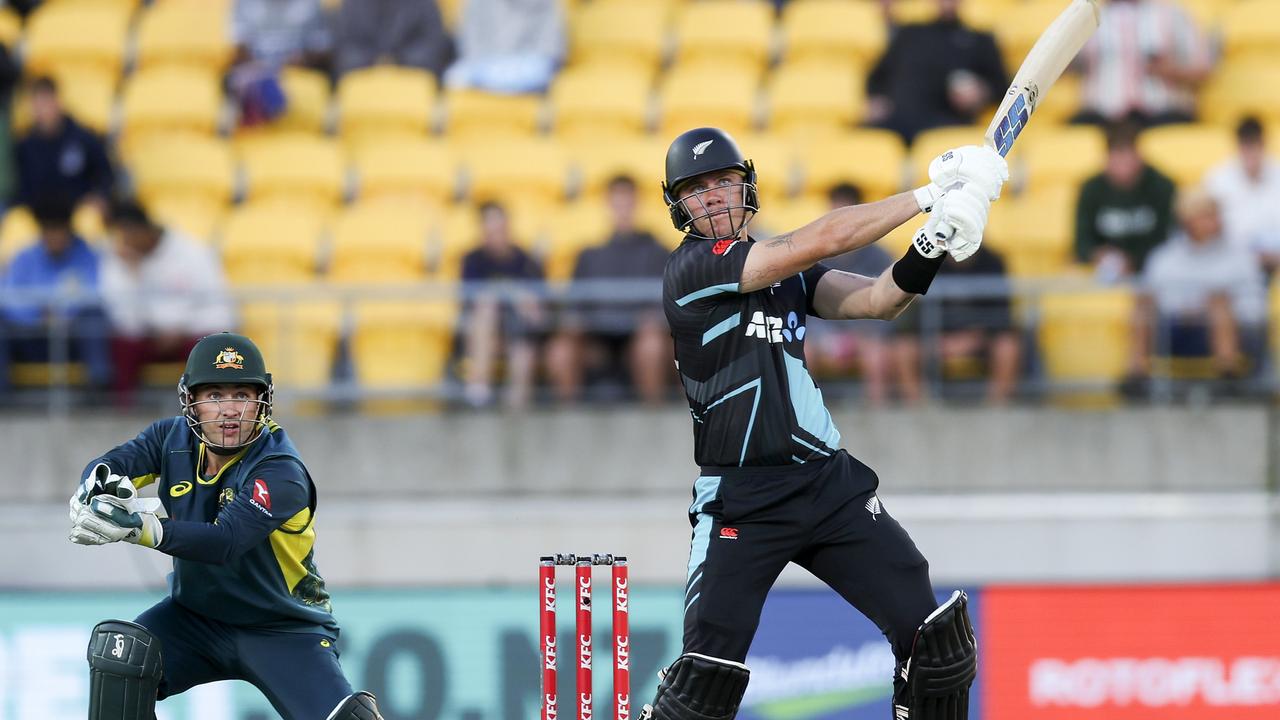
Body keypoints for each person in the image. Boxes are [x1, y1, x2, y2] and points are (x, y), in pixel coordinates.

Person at [640, 127, 1007, 720]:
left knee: (935, 645)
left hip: (827, 485)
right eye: (696, 188)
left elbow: (880, 300)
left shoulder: (786, 277)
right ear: (678, 204)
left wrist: (932, 242)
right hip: (744, 501)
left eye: (724, 181)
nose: (713, 196)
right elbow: (820, 239)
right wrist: (928, 194)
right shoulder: (691, 270)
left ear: (746, 185)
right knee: (701, 688)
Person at [66, 332, 386, 720]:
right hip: (195, 619)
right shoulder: (171, 439)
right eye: (215, 396)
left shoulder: (280, 469)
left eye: (242, 395)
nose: (230, 410)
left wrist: (136, 527)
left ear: (262, 400)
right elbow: (112, 464)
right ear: (192, 402)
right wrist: (95, 489)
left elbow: (225, 542)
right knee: (121, 658)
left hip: (282, 627)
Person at [545, 175, 672, 404]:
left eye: (627, 202)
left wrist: (653, 319)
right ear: (608, 205)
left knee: (651, 346)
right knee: (561, 350)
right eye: (617, 202)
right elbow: (574, 306)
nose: (622, 209)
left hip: (641, 338)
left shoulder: (657, 252)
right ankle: (567, 422)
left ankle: (653, 421)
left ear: (636, 204)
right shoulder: (589, 256)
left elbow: (668, 303)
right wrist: (577, 322)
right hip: (596, 339)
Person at [99, 200, 235, 406]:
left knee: (213, 348)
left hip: (191, 333)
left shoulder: (193, 253)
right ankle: (123, 412)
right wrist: (136, 276)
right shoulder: (119, 258)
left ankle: (209, 410)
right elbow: (122, 316)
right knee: (120, 344)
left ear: (143, 230)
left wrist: (179, 328)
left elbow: (220, 307)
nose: (125, 244)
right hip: (147, 336)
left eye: (129, 236)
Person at [1141, 190, 1265, 389]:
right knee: (1142, 305)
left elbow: (1256, 305)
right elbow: (1158, 297)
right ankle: (1136, 377)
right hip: (1175, 330)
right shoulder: (1165, 258)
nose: (1215, 221)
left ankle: (1228, 374)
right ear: (1188, 221)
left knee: (1219, 303)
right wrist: (1188, 310)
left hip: (1233, 330)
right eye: (1206, 216)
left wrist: (1221, 308)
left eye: (1215, 214)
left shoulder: (1239, 256)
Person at [0, 198, 110, 396]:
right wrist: (38, 315)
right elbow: (8, 297)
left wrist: (63, 313)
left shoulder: (87, 254)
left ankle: (98, 386)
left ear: (70, 230)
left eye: (59, 231)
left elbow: (95, 293)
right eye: (49, 231)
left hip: (72, 336)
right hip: (31, 336)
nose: (55, 237)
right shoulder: (25, 257)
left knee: (94, 316)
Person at [801, 183, 895, 406]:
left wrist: (860, 335)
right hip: (823, 333)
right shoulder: (815, 254)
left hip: (867, 334)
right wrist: (827, 338)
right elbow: (802, 301)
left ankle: (879, 417)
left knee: (874, 354)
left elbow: (890, 304)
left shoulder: (880, 256)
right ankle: (802, 413)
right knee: (803, 351)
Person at [890, 245, 1022, 404]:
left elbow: (1000, 313)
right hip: (936, 337)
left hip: (981, 337)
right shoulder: (927, 261)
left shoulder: (993, 262)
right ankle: (918, 410)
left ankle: (996, 408)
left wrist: (975, 337)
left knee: (1008, 346)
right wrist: (937, 338)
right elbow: (916, 314)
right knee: (904, 348)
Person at [865, 0, 1007, 144]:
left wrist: (981, 92)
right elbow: (877, 76)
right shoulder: (909, 33)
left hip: (946, 125)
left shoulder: (979, 40)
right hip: (897, 121)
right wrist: (876, 99)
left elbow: (1002, 86)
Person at [1072, 0, 1212, 128]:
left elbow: (1203, 71)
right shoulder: (1086, 17)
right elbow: (1066, 67)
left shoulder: (1172, 13)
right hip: (1101, 116)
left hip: (1163, 113)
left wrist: (1168, 71)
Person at [459, 201, 546, 409]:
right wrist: (512, 294)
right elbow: (469, 302)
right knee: (486, 308)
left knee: (522, 350)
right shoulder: (473, 260)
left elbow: (538, 309)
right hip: (482, 332)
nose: (495, 234)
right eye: (490, 229)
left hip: (519, 331)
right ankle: (479, 390)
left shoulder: (527, 261)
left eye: (499, 228)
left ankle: (515, 414)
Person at [1074, 121, 1176, 281]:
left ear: (1139, 156)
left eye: (1127, 157)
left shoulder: (1162, 186)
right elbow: (1082, 241)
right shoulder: (1090, 189)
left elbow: (1168, 238)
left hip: (1153, 267)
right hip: (1104, 268)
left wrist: (1134, 260)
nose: (1123, 167)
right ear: (1107, 159)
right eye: (1117, 158)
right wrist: (1097, 254)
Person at [11, 76, 115, 213]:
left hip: (76, 212)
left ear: (57, 102)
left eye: (46, 103)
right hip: (39, 215)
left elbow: (104, 175)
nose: (42, 110)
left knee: (89, 220)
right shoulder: (25, 145)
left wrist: (100, 196)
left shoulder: (83, 139)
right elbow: (18, 190)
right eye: (37, 104)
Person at [1204, 117, 1280, 275]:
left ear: (1263, 144)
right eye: (1246, 146)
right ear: (1238, 146)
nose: (1251, 152)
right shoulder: (1217, 179)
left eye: (1255, 145)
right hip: (1232, 260)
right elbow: (1210, 227)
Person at [443, 0, 565, 94]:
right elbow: (470, 47)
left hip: (526, 66)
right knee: (455, 76)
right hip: (485, 64)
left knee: (537, 71)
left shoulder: (545, 3)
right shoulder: (477, 2)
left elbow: (549, 49)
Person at [334, 0, 454, 80]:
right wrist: (375, 61)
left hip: (411, 77)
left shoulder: (424, 3)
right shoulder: (353, 4)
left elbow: (433, 44)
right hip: (362, 77)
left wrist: (398, 61)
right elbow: (343, 46)